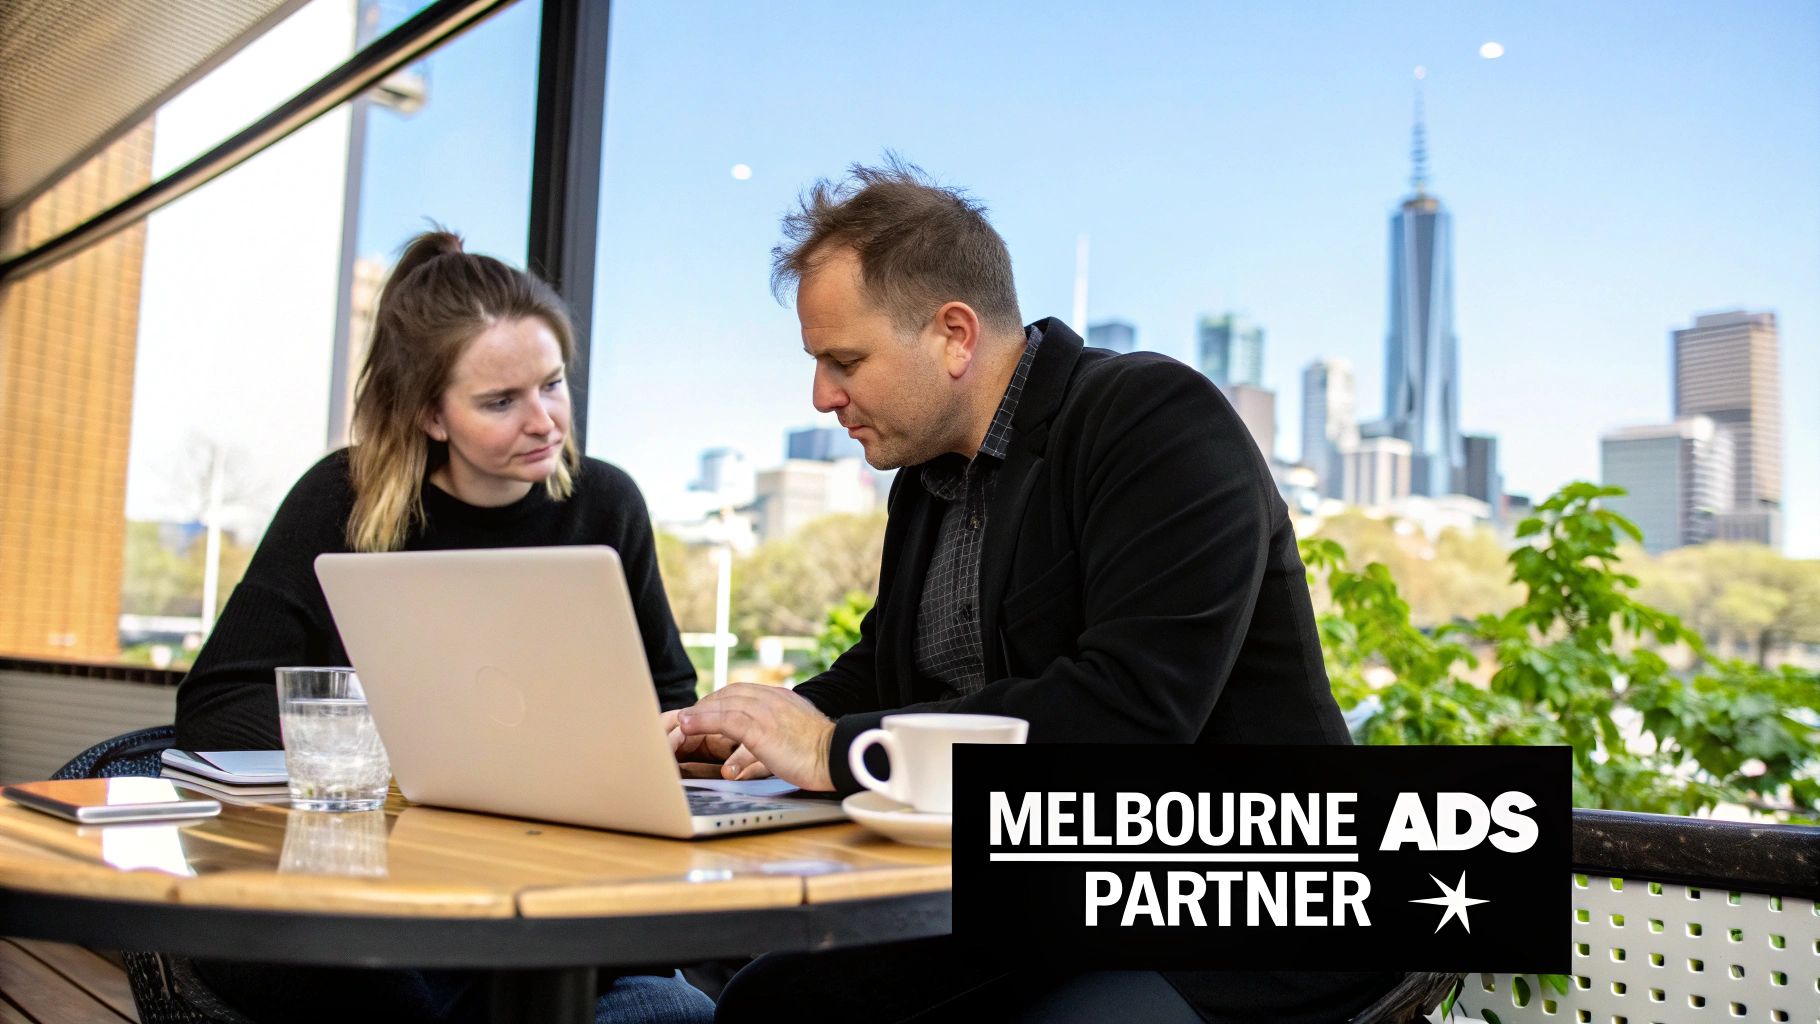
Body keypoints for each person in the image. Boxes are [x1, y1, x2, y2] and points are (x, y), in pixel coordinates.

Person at [670, 161, 1401, 1022]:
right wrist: (734, 732)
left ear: (953, 334)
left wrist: (836, 751)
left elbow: (1132, 717)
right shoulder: (927, 477)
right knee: (777, 1004)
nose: (823, 395)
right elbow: (882, 674)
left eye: (845, 360)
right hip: (1047, 893)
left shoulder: (1155, 417)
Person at [173, 229, 713, 1024]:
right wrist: (408, 743)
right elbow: (218, 702)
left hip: (552, 898)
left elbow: (667, 694)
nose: (545, 422)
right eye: (502, 402)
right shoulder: (344, 500)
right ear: (431, 413)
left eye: (553, 385)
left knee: (680, 1015)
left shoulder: (606, 505)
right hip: (364, 910)